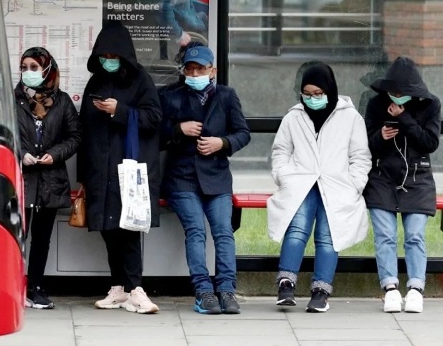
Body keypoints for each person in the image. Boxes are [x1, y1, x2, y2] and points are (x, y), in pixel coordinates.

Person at [267, 63, 371, 313]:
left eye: (317, 93)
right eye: (307, 93)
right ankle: (286, 285)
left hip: (337, 187)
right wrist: (284, 176)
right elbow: (281, 150)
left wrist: (354, 184)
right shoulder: (293, 116)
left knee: (328, 237)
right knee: (296, 230)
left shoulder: (350, 117)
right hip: (301, 184)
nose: (312, 98)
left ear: (329, 90)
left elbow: (361, 156)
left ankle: (321, 291)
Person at [77, 20, 161, 315]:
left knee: (129, 228)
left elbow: (154, 118)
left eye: (114, 57)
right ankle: (119, 288)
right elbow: (85, 129)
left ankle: (136, 289)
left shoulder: (142, 81)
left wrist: (120, 111)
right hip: (100, 170)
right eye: (105, 57)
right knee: (108, 228)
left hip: (130, 169)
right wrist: (83, 176)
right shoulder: (95, 82)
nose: (109, 62)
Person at [158, 45, 251, 315]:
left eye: (201, 68)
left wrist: (221, 143)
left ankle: (227, 290)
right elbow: (155, 134)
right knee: (196, 231)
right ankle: (203, 291)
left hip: (217, 178)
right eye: (190, 68)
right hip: (182, 179)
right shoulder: (171, 96)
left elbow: (242, 133)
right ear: (184, 70)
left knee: (223, 231)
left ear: (213, 70)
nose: (195, 73)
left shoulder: (226, 96)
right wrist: (178, 129)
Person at [362, 56, 441, 314]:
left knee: (415, 236)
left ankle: (416, 288)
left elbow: (430, 142)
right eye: (393, 92)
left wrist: (405, 118)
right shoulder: (375, 104)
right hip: (383, 178)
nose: (396, 97)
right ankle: (390, 289)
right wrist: (381, 137)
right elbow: (366, 146)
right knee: (385, 236)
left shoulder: (431, 105)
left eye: (402, 93)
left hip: (418, 179)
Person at [15, 47, 81, 309]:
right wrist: (21, 155)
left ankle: (36, 288)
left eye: (33, 67)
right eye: (24, 67)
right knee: (17, 237)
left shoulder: (62, 101)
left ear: (46, 69)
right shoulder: (13, 99)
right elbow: (3, 131)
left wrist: (55, 154)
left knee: (42, 238)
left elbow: (75, 136)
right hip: (22, 180)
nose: (28, 72)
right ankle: (13, 286)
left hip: (51, 180)